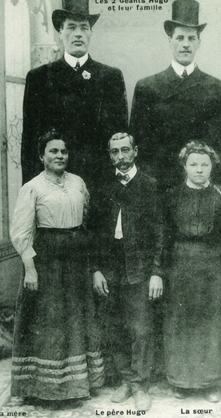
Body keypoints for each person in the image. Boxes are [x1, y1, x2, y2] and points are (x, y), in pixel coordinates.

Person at [10, 130, 104, 408]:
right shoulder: (33, 187)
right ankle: (38, 387)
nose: (60, 156)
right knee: (47, 320)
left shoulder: (77, 182)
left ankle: (77, 385)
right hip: (46, 258)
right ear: (41, 156)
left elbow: (87, 218)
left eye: (63, 151)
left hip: (76, 257)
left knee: (76, 316)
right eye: (53, 151)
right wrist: (30, 268)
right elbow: (21, 232)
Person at [162, 141, 221, 402]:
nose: (199, 170)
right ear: (184, 167)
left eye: (204, 165)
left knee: (211, 327)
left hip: (213, 270)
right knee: (181, 325)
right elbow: (163, 237)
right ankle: (181, 382)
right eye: (193, 164)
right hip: (180, 270)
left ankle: (211, 383)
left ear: (212, 167)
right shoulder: (172, 196)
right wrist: (159, 271)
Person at [21, 0, 128, 191]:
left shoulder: (111, 77)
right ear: (60, 32)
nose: (77, 34)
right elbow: (29, 143)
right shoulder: (39, 78)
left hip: (99, 184)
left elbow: (119, 137)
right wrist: (31, 192)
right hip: (53, 184)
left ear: (91, 32)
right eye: (71, 27)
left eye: (83, 27)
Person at [130, 0, 221, 193]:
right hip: (160, 191)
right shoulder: (148, 88)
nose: (185, 45)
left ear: (199, 42)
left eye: (191, 38)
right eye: (179, 38)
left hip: (202, 192)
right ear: (169, 41)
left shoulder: (217, 89)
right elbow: (139, 151)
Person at [90, 133, 163, 411]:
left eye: (125, 150)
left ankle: (141, 385)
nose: (120, 156)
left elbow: (160, 232)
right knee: (115, 326)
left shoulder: (150, 185)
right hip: (110, 268)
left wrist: (157, 271)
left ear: (135, 152)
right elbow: (94, 232)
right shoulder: (102, 186)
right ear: (110, 156)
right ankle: (125, 380)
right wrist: (96, 269)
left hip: (140, 267)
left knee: (141, 328)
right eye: (114, 152)